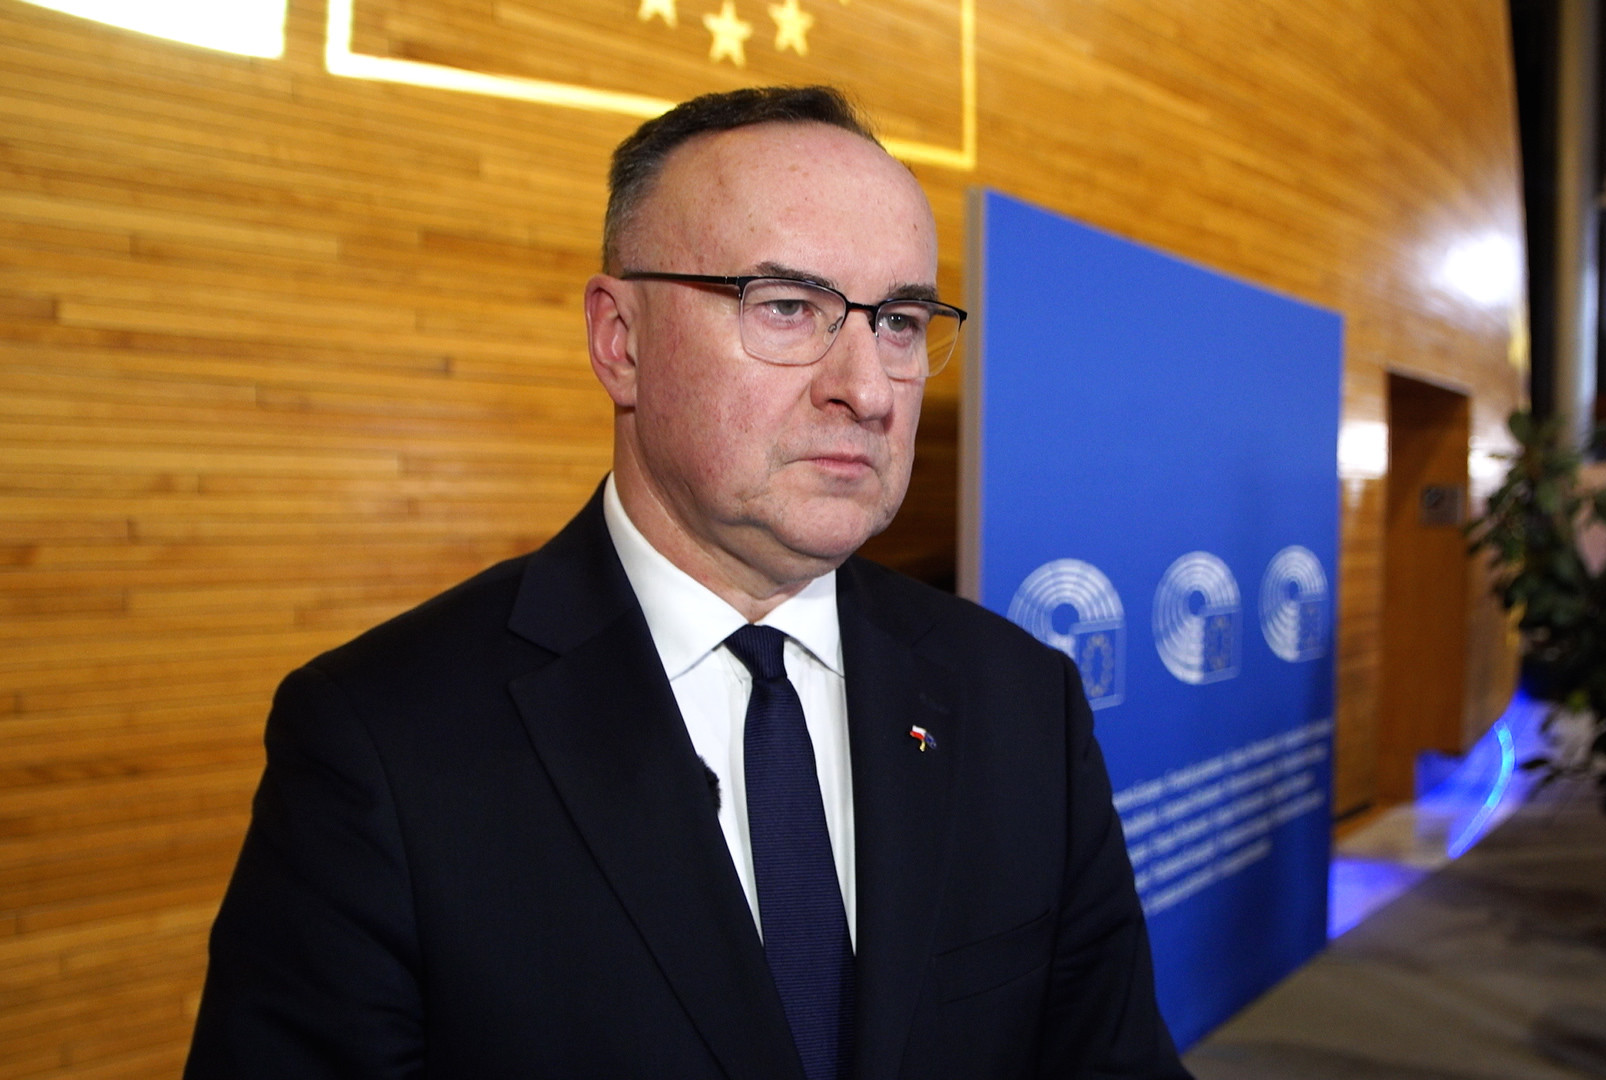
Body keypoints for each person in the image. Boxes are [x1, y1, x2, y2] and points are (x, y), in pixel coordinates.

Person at [184, 86, 1189, 1080]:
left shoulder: (1022, 700)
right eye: (787, 307)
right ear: (620, 342)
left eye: (898, 320)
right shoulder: (381, 742)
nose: (868, 387)